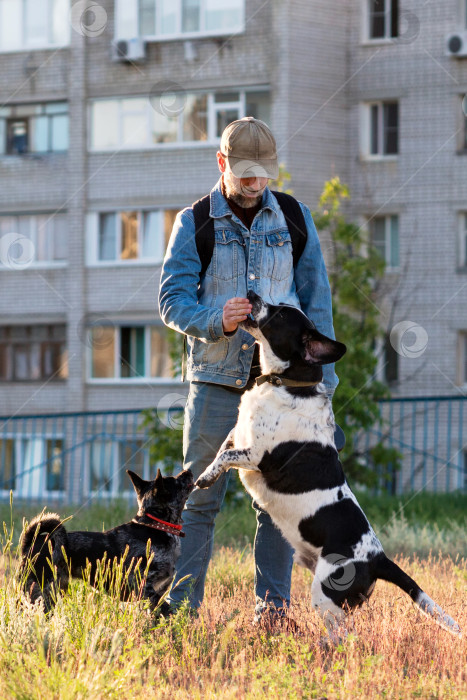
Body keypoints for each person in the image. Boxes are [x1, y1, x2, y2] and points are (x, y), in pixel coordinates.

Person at [158, 116, 339, 620]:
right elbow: (171, 302)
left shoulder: (296, 219)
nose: (256, 183)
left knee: (275, 502)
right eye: (245, 174)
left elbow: (316, 306)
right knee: (198, 500)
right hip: (215, 383)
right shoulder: (193, 222)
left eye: (264, 174)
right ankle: (182, 610)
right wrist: (215, 319)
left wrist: (324, 390)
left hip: (281, 390)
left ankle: (273, 612)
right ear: (222, 165)